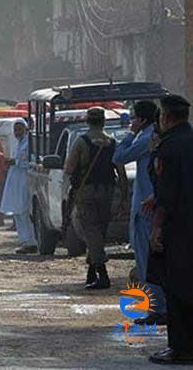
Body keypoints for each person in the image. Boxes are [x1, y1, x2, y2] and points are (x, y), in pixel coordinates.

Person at [147, 95, 193, 365]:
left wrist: (156, 229)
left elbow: (166, 196)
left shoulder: (168, 148)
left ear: (166, 117)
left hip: (178, 227)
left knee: (176, 287)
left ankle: (180, 347)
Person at [112, 101, 166, 325]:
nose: (131, 121)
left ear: (142, 120)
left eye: (133, 118)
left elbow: (119, 157)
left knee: (147, 260)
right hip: (146, 204)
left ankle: (158, 309)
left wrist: (128, 135)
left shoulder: (145, 138)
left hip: (147, 207)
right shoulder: (151, 136)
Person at [64, 107, 128, 289]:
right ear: (103, 121)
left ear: (87, 121)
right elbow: (121, 173)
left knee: (91, 230)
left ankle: (103, 273)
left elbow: (69, 169)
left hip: (86, 192)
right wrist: (123, 198)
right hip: (107, 191)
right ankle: (91, 273)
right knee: (99, 231)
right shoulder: (113, 142)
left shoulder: (81, 142)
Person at [0, 118, 37, 254]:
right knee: (19, 212)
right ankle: (25, 241)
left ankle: (30, 241)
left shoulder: (29, 143)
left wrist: (13, 161)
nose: (17, 132)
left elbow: (28, 161)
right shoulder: (20, 143)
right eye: (15, 130)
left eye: (20, 129)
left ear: (26, 129)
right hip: (17, 181)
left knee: (24, 211)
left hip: (25, 181)